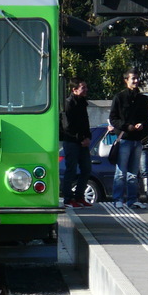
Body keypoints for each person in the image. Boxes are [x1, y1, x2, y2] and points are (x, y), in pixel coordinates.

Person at [108, 69, 148, 209]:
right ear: (126, 80)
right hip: (125, 138)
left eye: (136, 78)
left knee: (133, 173)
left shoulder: (142, 99)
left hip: (138, 139)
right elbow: (113, 118)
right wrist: (126, 127)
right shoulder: (119, 97)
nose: (135, 81)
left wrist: (143, 125)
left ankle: (132, 199)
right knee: (121, 172)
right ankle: (117, 199)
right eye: (133, 79)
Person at [60, 77, 92, 208]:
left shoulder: (83, 102)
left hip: (83, 142)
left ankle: (80, 197)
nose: (86, 90)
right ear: (74, 89)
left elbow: (85, 123)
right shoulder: (68, 104)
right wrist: (80, 139)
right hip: (71, 142)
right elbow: (67, 126)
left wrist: (88, 137)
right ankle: (68, 198)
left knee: (86, 169)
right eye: (82, 87)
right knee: (71, 170)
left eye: (86, 87)